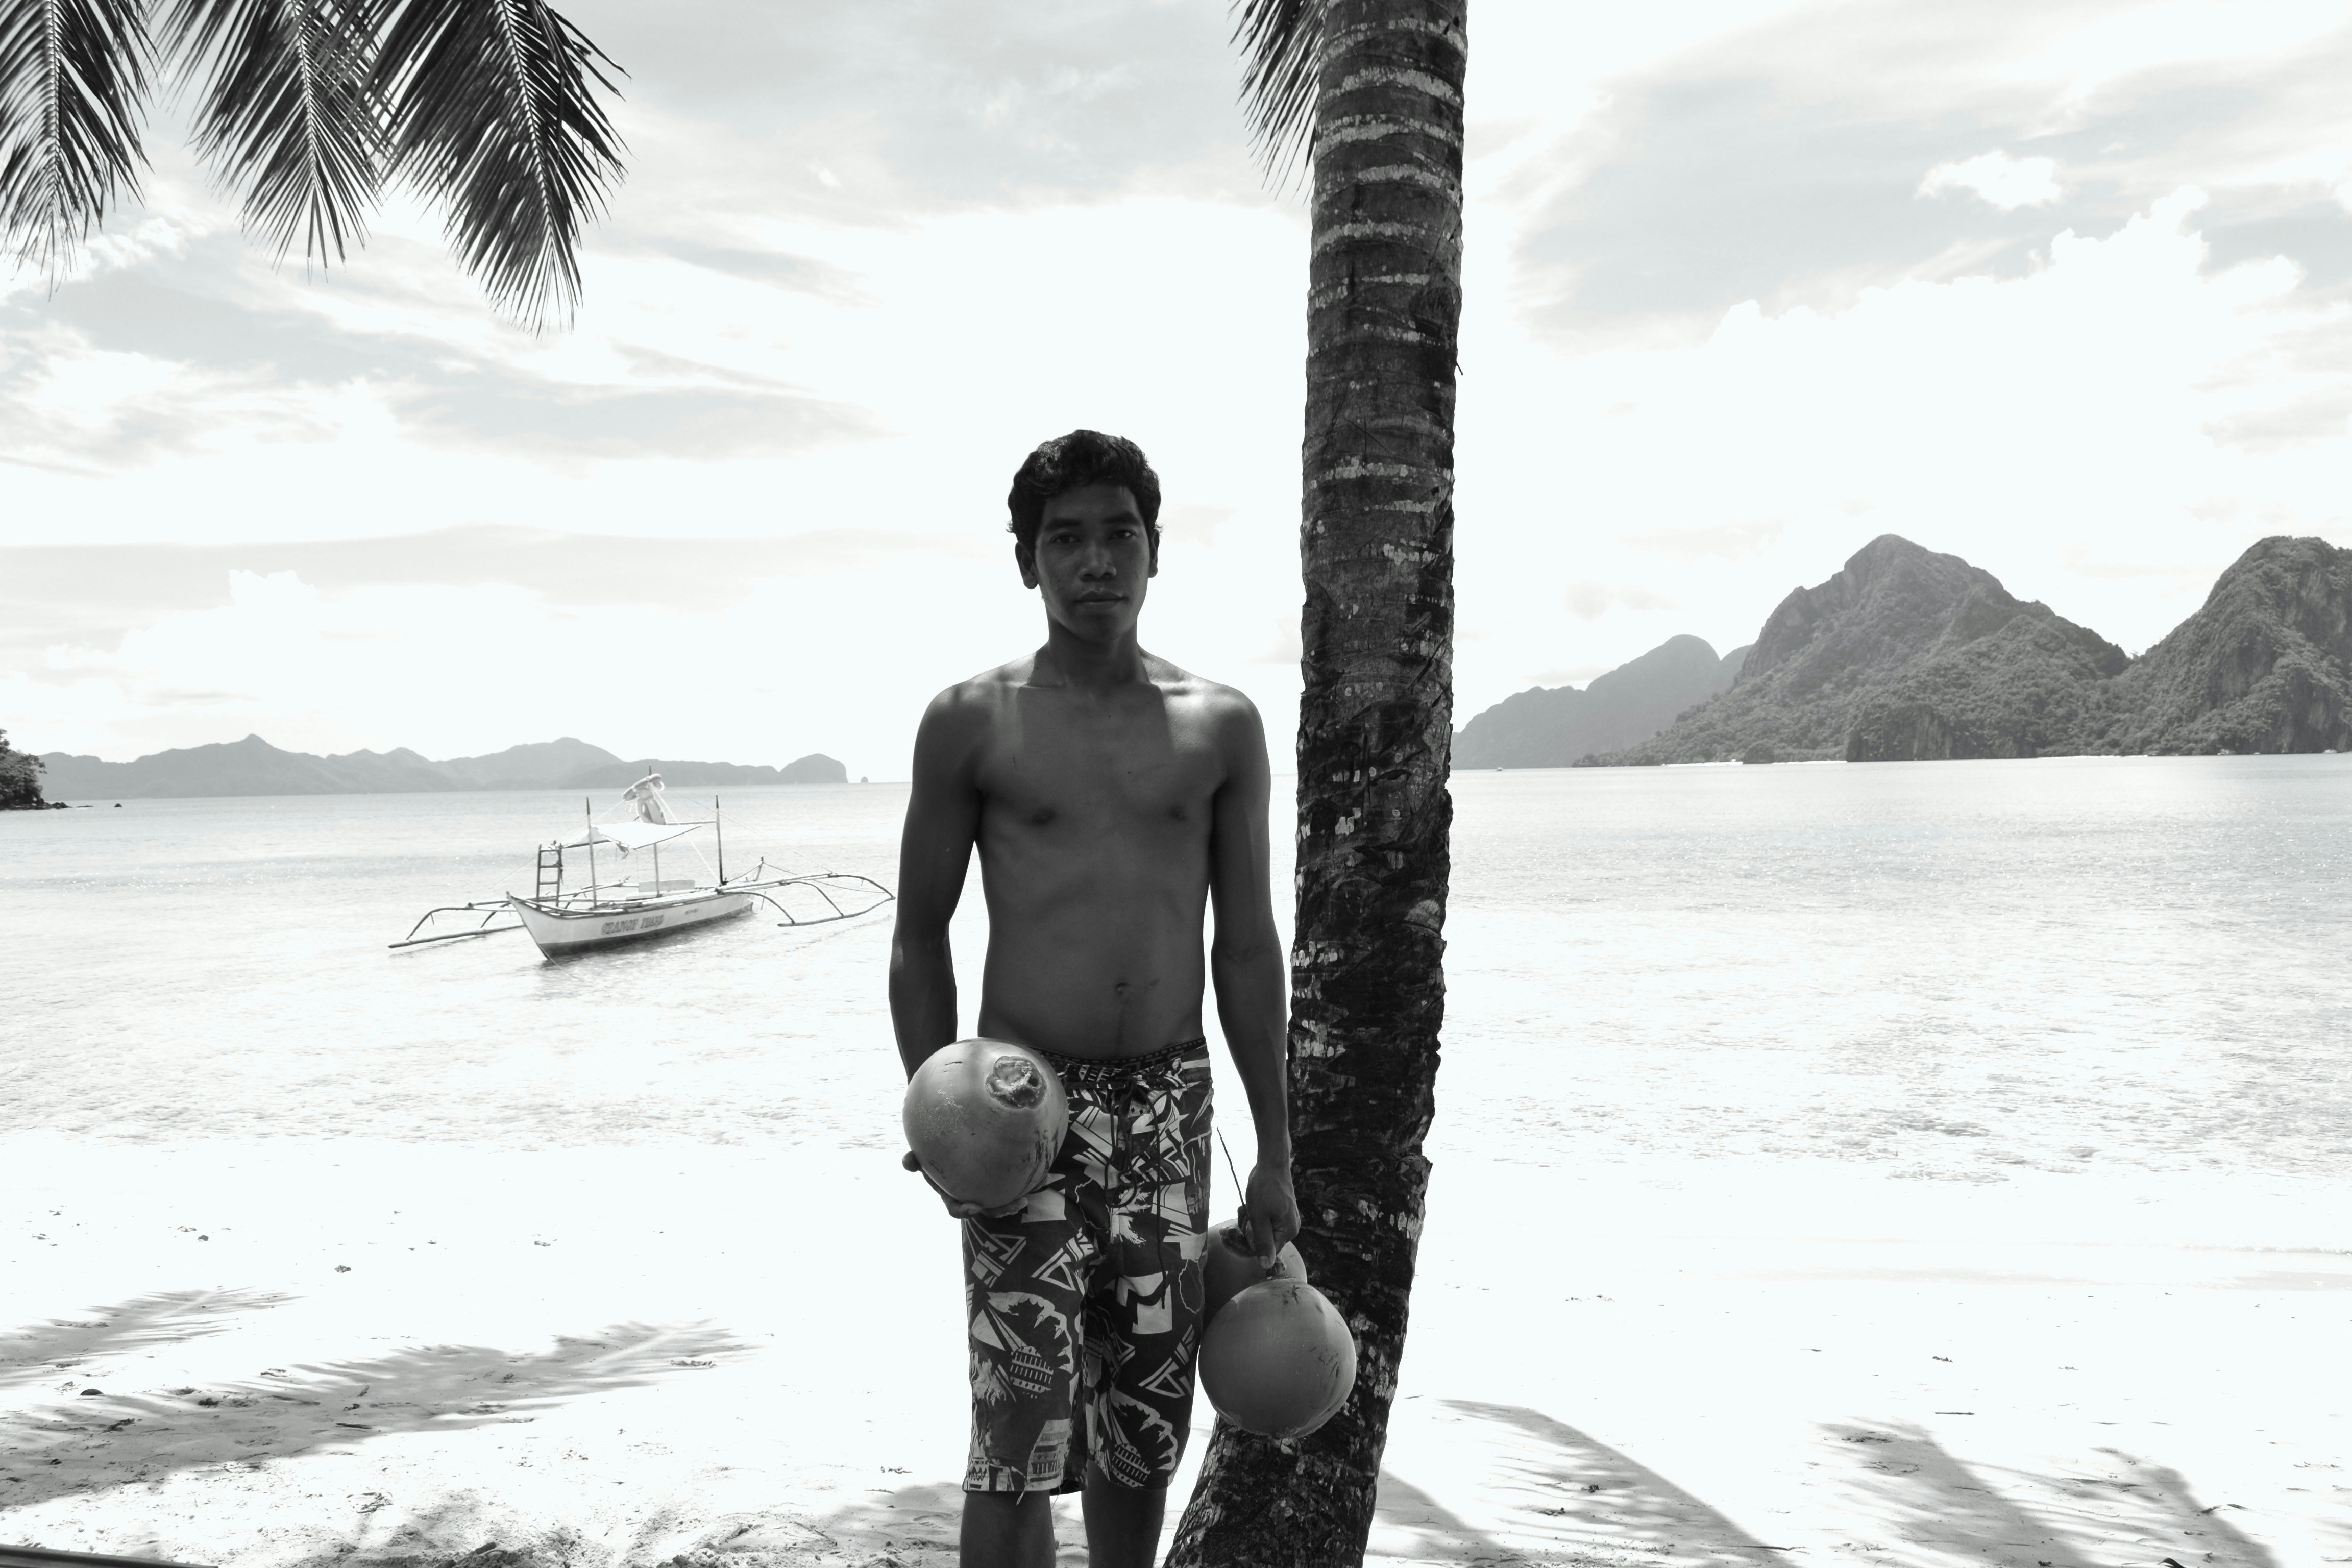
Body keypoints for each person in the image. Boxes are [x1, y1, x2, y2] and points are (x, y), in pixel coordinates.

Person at [889, 430, 1300, 1568]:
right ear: (1028, 560)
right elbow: (919, 933)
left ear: (1155, 549)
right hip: (1021, 1112)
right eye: (1065, 539)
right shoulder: (972, 720)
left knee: (1143, 1432)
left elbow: (1247, 948)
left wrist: (1276, 1150)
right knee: (1015, 1435)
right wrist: (936, 1110)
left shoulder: (1219, 725)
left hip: (1171, 1110)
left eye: (1120, 534)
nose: (1096, 561)